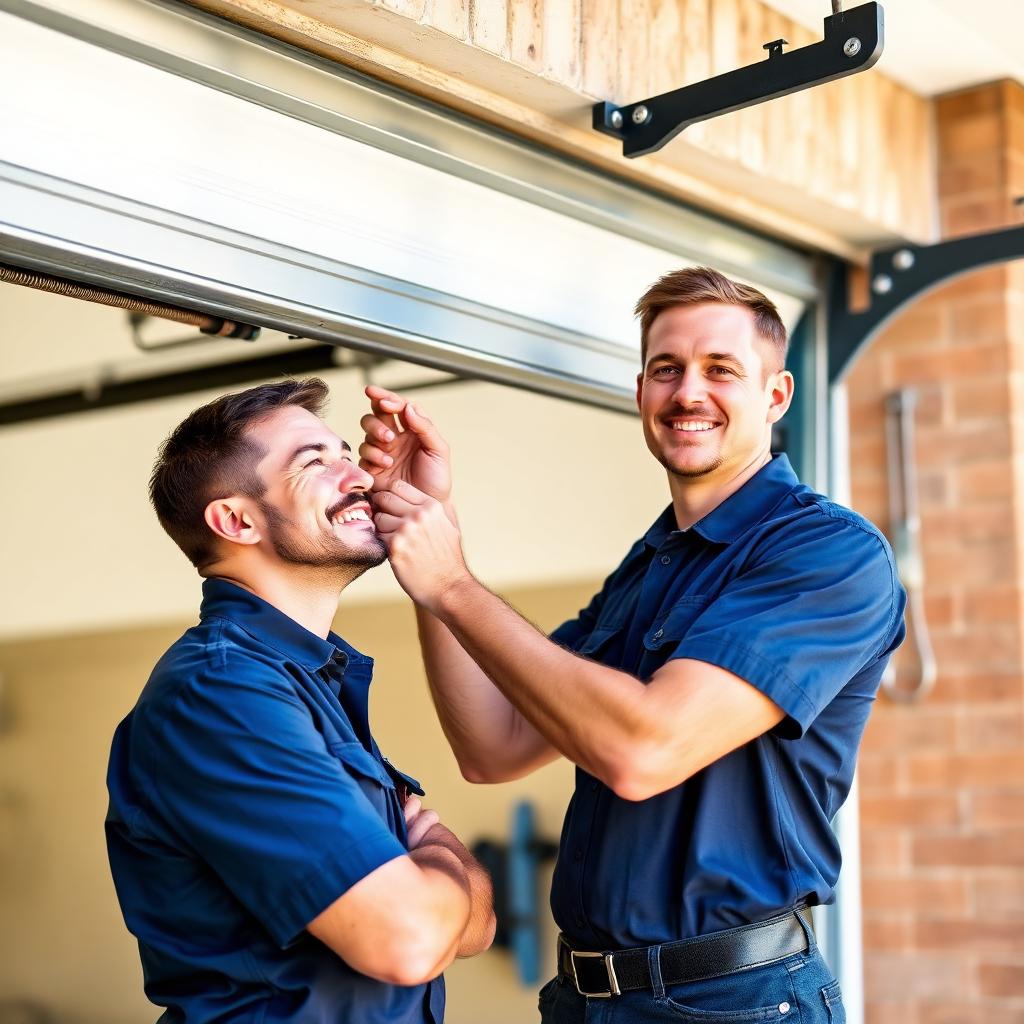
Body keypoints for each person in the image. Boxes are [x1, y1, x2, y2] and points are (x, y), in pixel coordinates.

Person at [359, 267, 905, 1023]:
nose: (688, 392)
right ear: (641, 389)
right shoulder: (648, 567)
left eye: (721, 370)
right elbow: (493, 744)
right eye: (666, 369)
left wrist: (454, 584)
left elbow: (642, 750)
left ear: (775, 396)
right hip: (585, 998)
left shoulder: (825, 553)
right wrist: (427, 539)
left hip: (729, 1004)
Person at [105, 378, 494, 1024]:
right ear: (236, 520)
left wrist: (435, 880)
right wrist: (440, 854)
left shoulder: (305, 681)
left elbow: (475, 930)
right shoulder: (221, 694)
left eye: (345, 452)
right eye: (316, 463)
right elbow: (411, 941)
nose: (360, 475)